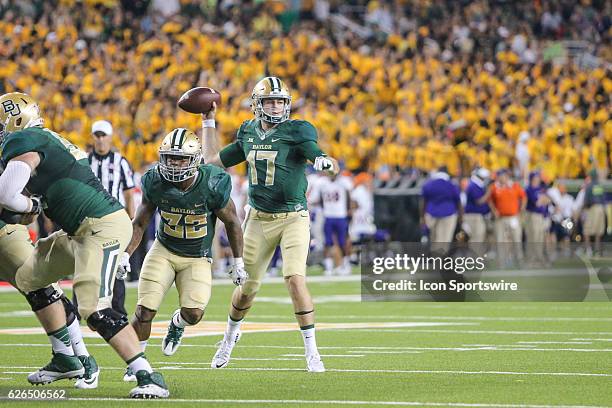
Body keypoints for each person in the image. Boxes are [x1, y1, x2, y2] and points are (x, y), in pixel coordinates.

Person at [0, 92, 168, 398]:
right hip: (81, 230)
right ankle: (66, 358)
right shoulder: (47, 139)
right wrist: (32, 205)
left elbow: (7, 194)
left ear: (16, 121)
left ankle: (147, 374)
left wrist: (31, 204)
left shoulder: (25, 140)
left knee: (94, 308)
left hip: (100, 227)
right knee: (29, 277)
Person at [202, 76, 339, 372]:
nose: (276, 107)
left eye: (280, 101)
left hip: (293, 217)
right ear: (257, 105)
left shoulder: (298, 130)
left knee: (294, 278)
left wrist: (324, 162)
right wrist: (208, 124)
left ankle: (312, 351)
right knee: (247, 288)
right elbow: (212, 161)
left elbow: (318, 153)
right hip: (259, 219)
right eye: (270, 101)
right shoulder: (248, 132)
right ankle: (228, 338)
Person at [117, 128, 246, 380]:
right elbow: (140, 222)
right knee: (144, 310)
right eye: (170, 157)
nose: (174, 164)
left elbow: (232, 222)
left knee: (194, 314)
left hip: (197, 257)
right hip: (163, 250)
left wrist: (238, 262)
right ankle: (136, 362)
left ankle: (177, 324)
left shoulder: (212, 182)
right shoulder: (155, 180)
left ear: (195, 159)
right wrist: (125, 254)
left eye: (181, 159)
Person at [0, 206, 99, 389]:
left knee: (42, 289)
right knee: (41, 290)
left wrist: (29, 205)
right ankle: (77, 359)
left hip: (5, 232)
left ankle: (77, 359)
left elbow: (13, 188)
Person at [72, 120, 136, 318]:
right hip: (88, 219)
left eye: (103, 135)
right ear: (93, 138)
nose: (100, 139)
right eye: (97, 135)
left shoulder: (120, 161)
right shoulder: (84, 160)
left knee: (115, 264)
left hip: (114, 221)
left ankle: (117, 311)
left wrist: (130, 218)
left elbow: (128, 193)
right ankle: (79, 310)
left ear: (110, 137)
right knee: (84, 262)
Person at [314, 173, 353, 275]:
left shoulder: (343, 182)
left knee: (342, 242)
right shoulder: (322, 183)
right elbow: (321, 199)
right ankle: (329, 267)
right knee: (327, 242)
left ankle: (345, 265)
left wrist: (348, 210)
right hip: (328, 216)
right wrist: (325, 210)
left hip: (341, 216)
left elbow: (348, 196)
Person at [489, 169, 526, 265]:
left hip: (513, 217)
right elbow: (490, 200)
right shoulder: (495, 187)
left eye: (503, 176)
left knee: (516, 239)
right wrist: (494, 210)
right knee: (499, 240)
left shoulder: (514, 186)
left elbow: (523, 197)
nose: (501, 178)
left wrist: (521, 209)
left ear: (507, 176)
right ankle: (501, 261)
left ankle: (519, 260)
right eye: (500, 176)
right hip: (500, 218)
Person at [420, 166, 462, 248]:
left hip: (431, 214)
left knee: (433, 239)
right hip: (448, 215)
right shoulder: (451, 185)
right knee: (444, 240)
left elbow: (423, 202)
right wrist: (461, 217)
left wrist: (422, 217)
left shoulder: (428, 184)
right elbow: (458, 202)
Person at [463, 168, 491, 243]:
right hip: (474, 216)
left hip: (476, 216)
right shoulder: (473, 186)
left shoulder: (477, 185)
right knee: (476, 238)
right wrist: (488, 193)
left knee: (478, 237)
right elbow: (479, 201)